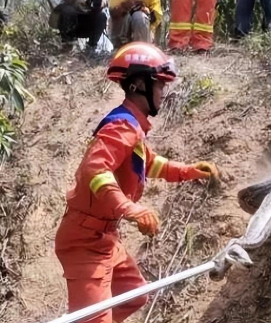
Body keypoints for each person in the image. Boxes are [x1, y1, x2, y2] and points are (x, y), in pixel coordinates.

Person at [55, 42, 220, 323]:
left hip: (105, 239)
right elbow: (95, 170)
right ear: (140, 84)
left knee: (134, 294)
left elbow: (150, 164)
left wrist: (190, 171)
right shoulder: (121, 126)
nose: (164, 93)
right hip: (85, 243)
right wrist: (131, 209)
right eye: (160, 85)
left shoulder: (133, 125)